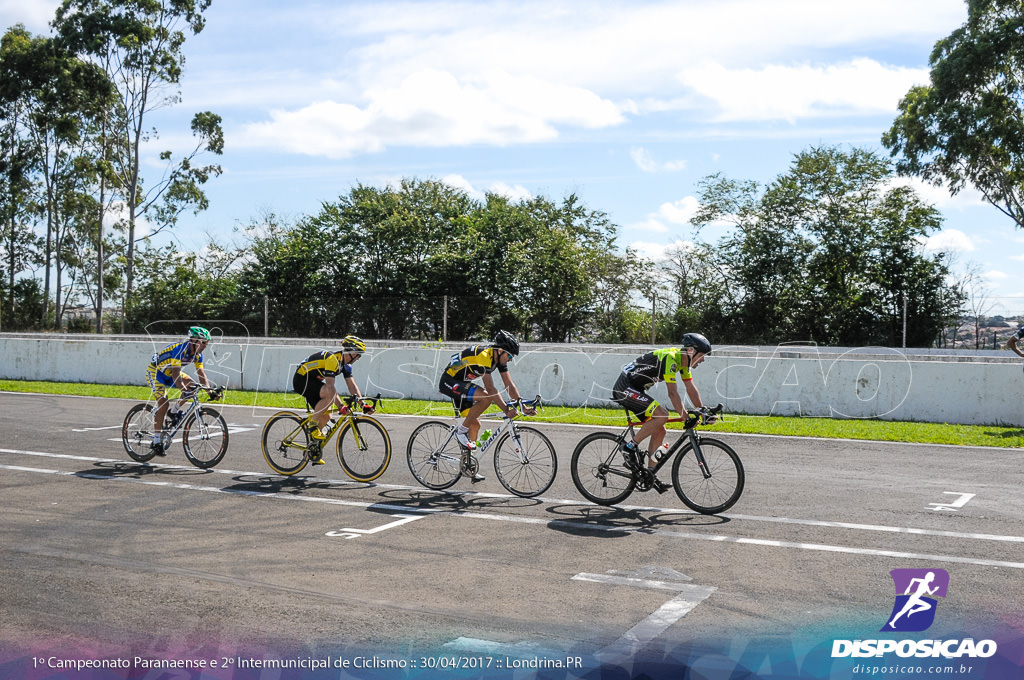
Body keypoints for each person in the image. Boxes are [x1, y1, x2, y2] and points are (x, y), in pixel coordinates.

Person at [610, 333, 714, 493]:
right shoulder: (671, 358)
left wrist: (703, 410)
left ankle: (650, 474)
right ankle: (629, 447)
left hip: (636, 389)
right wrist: (685, 416)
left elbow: (690, 388)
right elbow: (672, 393)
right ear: (692, 351)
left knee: (661, 429)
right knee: (662, 415)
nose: (703, 360)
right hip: (624, 387)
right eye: (702, 356)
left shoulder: (683, 363)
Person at [439, 330, 535, 482]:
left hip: (462, 384)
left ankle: (469, 466)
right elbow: (491, 390)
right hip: (449, 381)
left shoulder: (498, 359)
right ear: (500, 350)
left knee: (475, 424)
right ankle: (461, 432)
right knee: (486, 397)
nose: (510, 359)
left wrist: (522, 405)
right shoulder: (484, 356)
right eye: (509, 356)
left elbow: (509, 385)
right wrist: (506, 410)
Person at [292, 335, 369, 463]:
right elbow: (330, 388)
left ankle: (312, 450)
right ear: (350, 352)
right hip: (302, 379)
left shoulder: (346, 365)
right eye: (358, 354)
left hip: (313, 381)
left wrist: (363, 404)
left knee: (327, 418)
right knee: (328, 395)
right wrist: (341, 406)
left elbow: (352, 386)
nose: (359, 358)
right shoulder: (332, 359)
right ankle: (312, 425)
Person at [146, 326, 216, 453]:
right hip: (156, 373)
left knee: (193, 386)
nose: (206, 345)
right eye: (204, 342)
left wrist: (210, 392)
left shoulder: (197, 355)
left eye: (207, 343)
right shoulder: (180, 350)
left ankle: (174, 411)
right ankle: (156, 441)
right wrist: (183, 390)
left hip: (170, 373)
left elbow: (201, 375)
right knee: (164, 402)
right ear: (194, 341)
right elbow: (175, 374)